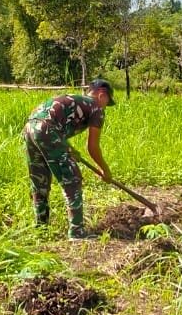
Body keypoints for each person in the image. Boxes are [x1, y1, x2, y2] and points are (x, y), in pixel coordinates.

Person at [23, 79, 114, 239]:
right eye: (108, 102)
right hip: (48, 130)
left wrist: (70, 149)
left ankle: (41, 228)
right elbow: (92, 147)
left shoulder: (74, 99)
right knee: (72, 179)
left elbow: (54, 124)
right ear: (101, 95)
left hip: (30, 127)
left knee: (40, 180)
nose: (106, 106)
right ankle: (77, 233)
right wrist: (105, 170)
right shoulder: (96, 107)